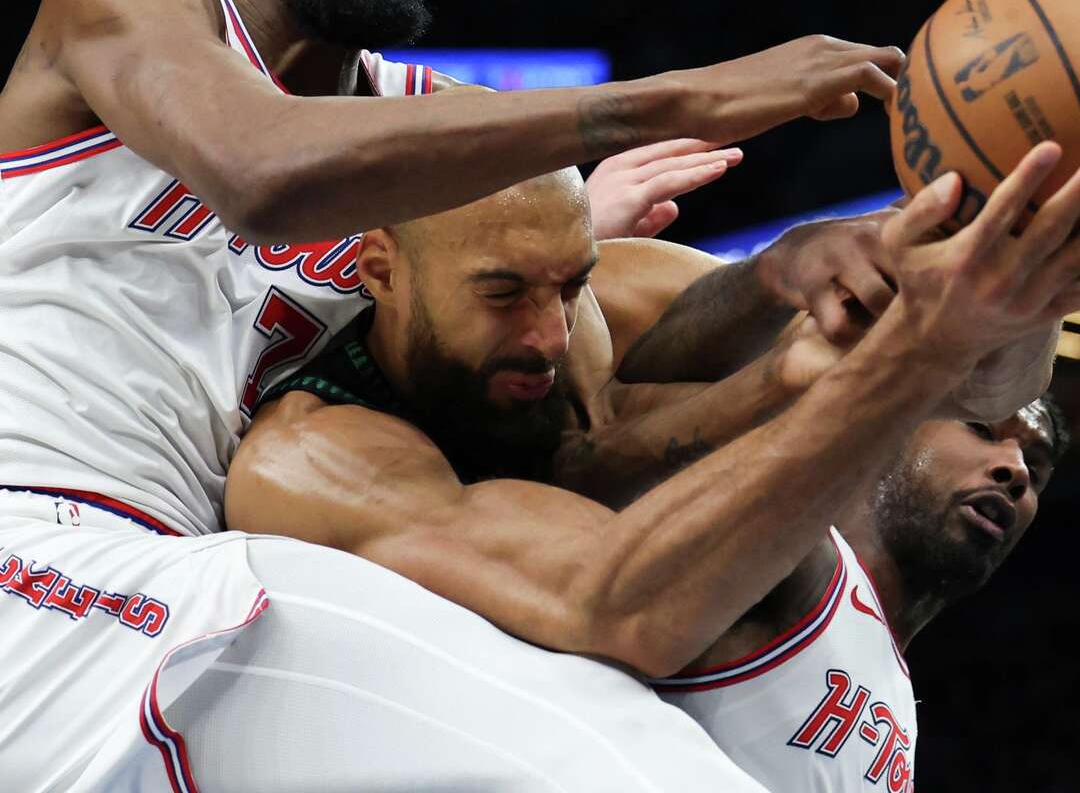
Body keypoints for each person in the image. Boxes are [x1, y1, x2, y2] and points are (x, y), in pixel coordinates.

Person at [0, 0, 918, 791]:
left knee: (697, 749)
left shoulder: (440, 122)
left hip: (205, 567)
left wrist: (789, 270)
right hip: (43, 544)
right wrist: (684, 96)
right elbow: (259, 171)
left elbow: (595, 382)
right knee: (615, 767)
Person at [220, 147, 1079, 789]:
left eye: (571, 285)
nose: (553, 333)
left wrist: (1016, 199)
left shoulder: (591, 307)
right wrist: (905, 361)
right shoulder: (315, 458)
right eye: (504, 293)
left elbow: (991, 381)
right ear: (381, 271)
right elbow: (619, 603)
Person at [654, 396, 1067, 792]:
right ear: (894, 430)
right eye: (981, 429)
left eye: (1035, 466)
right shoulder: (798, 561)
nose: (1017, 470)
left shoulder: (899, 700)